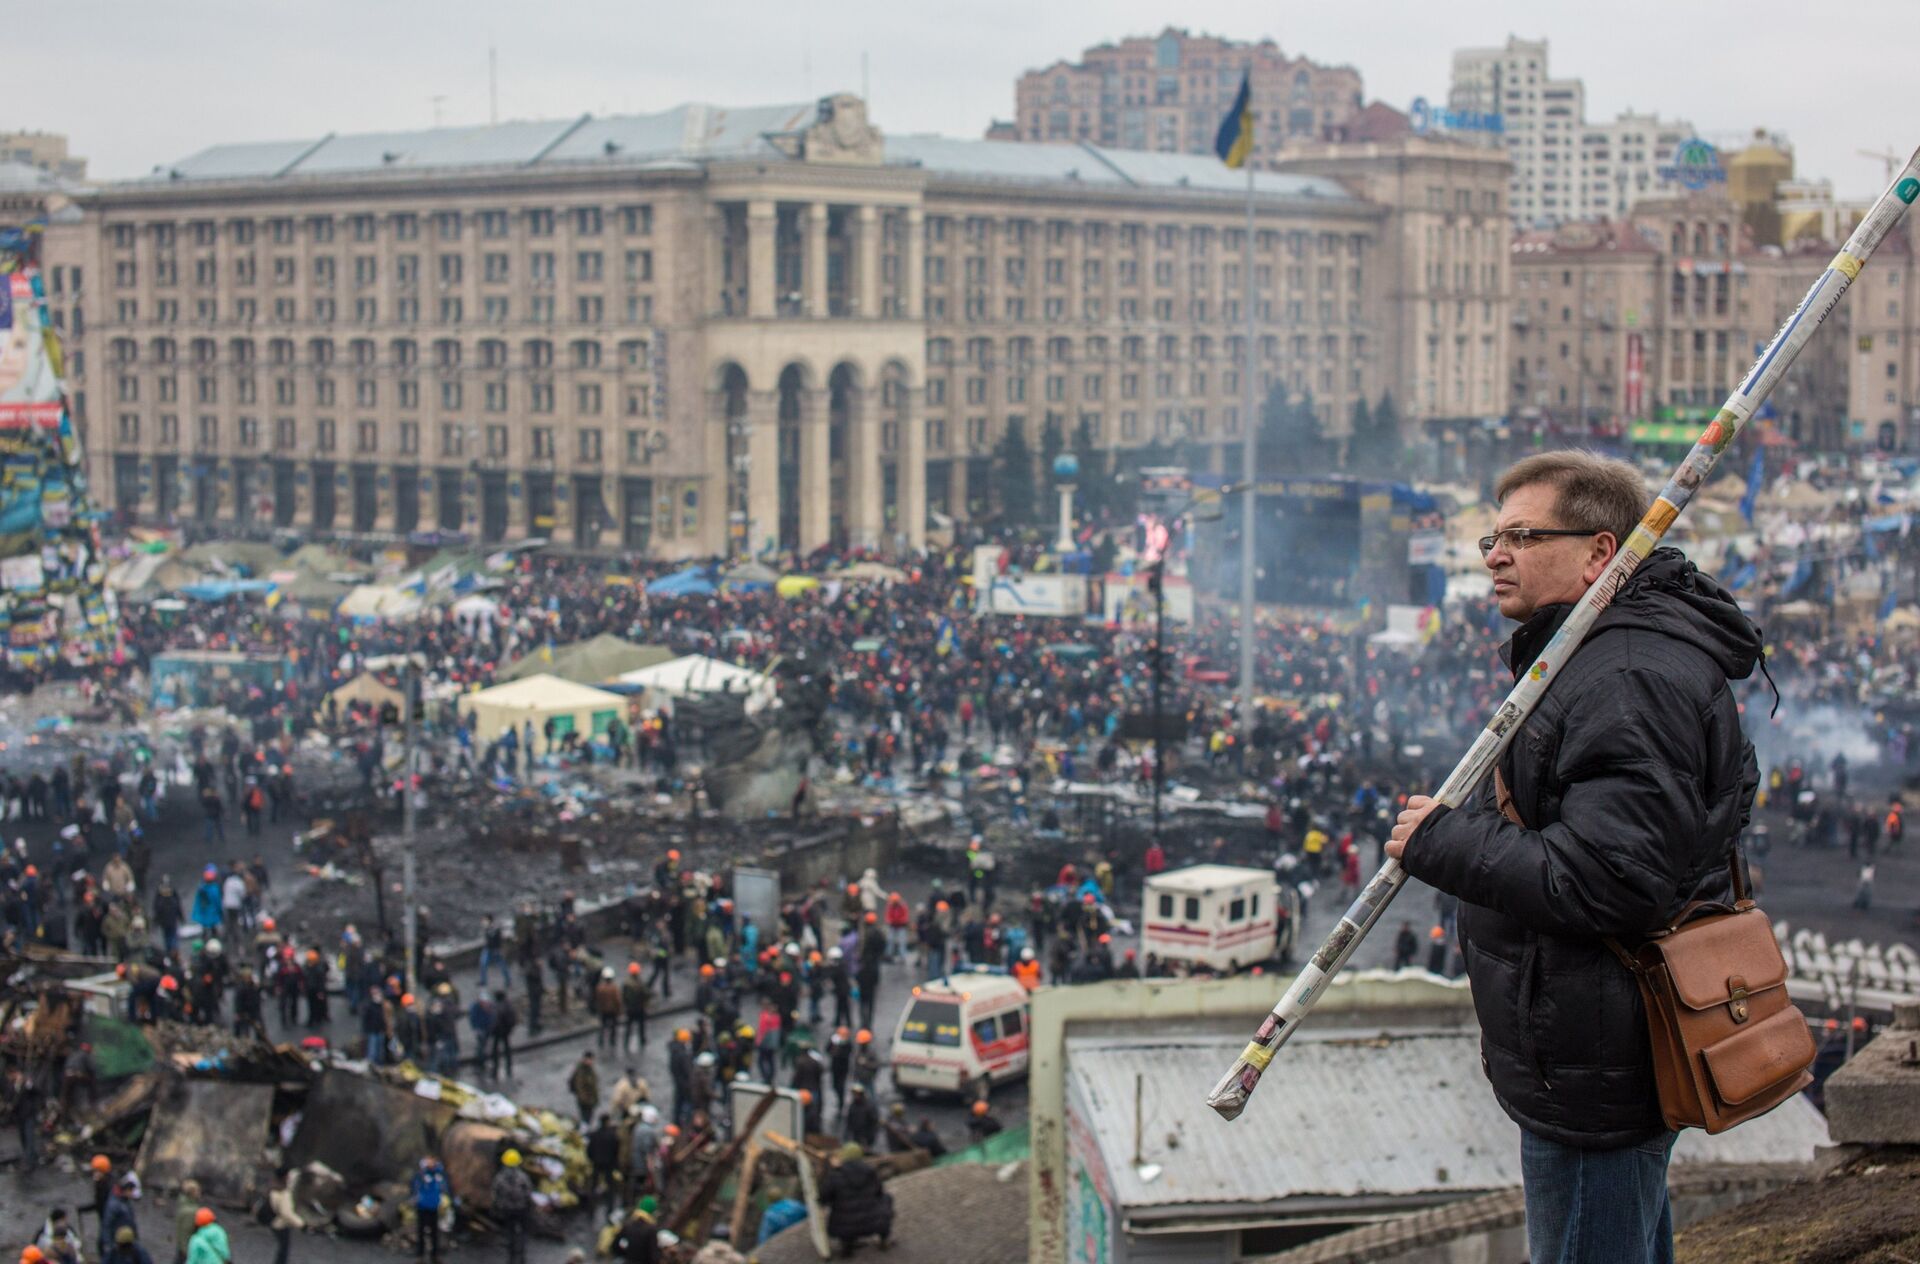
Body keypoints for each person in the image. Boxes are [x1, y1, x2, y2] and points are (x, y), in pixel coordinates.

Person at [1390, 451, 1761, 1264]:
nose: (1494, 553)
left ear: (1601, 552)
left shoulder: (1623, 672)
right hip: (1587, 1051)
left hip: (1598, 1060)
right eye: (1494, 535)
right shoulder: (1593, 655)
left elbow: (1610, 881)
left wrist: (1443, 843)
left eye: (1522, 534)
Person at [819, 1143, 892, 1257]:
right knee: (887, 1199)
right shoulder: (870, 1172)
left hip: (844, 1227)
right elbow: (879, 1192)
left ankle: (847, 1245)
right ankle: (884, 1238)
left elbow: (823, 1198)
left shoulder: (835, 1175)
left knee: (843, 1210)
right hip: (872, 1223)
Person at [491, 1150, 534, 1264]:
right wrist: (529, 1204)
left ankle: (511, 1257)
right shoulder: (523, 1177)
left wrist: (498, 1205)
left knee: (510, 1232)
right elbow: (529, 1192)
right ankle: (522, 1256)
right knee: (523, 1232)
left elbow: (495, 1193)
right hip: (522, 1209)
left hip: (507, 1209)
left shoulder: (500, 1178)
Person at [410, 1156, 448, 1262]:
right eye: (428, 1161)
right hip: (422, 1206)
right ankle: (420, 1256)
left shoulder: (439, 1175)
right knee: (421, 1232)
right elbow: (414, 1188)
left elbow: (444, 1189)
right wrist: (414, 1200)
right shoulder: (420, 1175)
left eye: (432, 1161)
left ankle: (435, 1256)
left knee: (435, 1233)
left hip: (434, 1207)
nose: (430, 1163)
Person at [611, 1197, 659, 1263]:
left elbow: (615, 1246)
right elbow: (653, 1256)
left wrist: (625, 1254)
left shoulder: (628, 1225)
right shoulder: (651, 1229)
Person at [267, 1168, 300, 1264]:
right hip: (281, 1224)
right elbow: (286, 1213)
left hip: (273, 1222)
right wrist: (301, 1224)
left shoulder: (272, 1188)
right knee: (283, 1250)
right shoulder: (284, 1192)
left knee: (281, 1249)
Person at [172, 1180, 202, 1264]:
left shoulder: (184, 1205)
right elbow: (187, 1232)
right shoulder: (192, 1211)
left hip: (181, 1248)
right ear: (192, 1193)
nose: (200, 1193)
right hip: (187, 1249)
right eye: (198, 1191)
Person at [570, 1050, 601, 1124]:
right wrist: (585, 1099)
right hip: (585, 1101)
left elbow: (594, 1084)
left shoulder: (590, 1069)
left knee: (589, 1118)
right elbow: (580, 1086)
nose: (591, 1061)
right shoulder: (581, 1071)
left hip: (590, 1099)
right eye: (590, 1059)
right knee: (585, 1118)